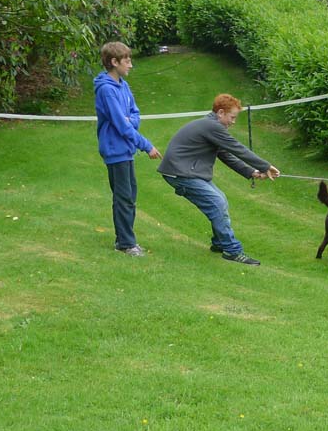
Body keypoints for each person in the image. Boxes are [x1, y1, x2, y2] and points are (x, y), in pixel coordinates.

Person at [157, 93, 280, 265]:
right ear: (221, 113)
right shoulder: (212, 126)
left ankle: (219, 243)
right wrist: (266, 166)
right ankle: (232, 251)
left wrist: (252, 172)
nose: (233, 122)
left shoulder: (210, 127)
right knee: (217, 202)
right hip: (180, 173)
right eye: (232, 117)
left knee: (220, 199)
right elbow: (237, 148)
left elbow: (226, 155)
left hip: (188, 171)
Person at [94, 41, 162, 257]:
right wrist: (146, 145)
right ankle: (126, 243)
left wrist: (129, 120)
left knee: (130, 195)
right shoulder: (106, 90)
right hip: (115, 151)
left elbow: (135, 114)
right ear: (114, 62)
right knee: (123, 197)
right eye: (127, 61)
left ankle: (124, 240)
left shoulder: (123, 85)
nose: (131, 65)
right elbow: (121, 126)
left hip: (126, 150)